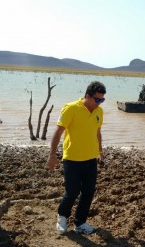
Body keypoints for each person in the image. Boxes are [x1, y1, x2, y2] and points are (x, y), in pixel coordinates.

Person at [47, 81, 106, 235]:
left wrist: (100, 151)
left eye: (102, 100)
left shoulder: (99, 111)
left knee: (88, 192)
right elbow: (58, 132)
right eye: (97, 99)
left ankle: (80, 223)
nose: (99, 103)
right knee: (72, 191)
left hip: (91, 159)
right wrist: (52, 155)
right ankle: (62, 217)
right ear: (87, 96)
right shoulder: (71, 108)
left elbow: (97, 132)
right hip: (72, 159)